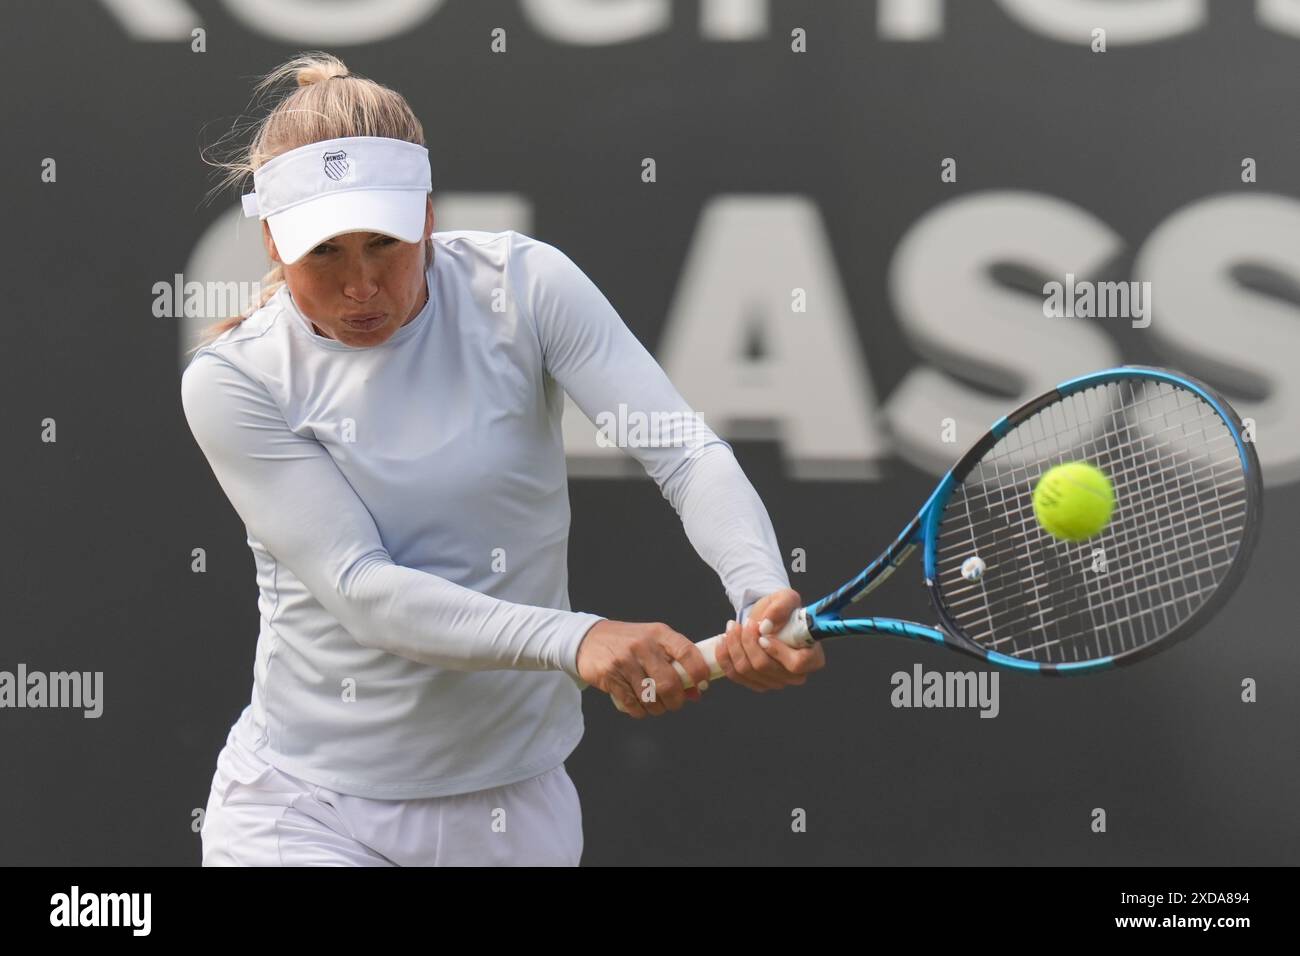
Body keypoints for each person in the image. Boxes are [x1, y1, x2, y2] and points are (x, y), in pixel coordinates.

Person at [182, 52, 824, 867]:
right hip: (306, 815)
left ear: (427, 212)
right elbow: (362, 589)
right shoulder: (234, 381)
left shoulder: (525, 286)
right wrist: (578, 639)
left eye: (383, 241)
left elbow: (684, 453)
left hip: (512, 813)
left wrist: (760, 594)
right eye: (325, 254)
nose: (361, 285)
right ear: (272, 239)